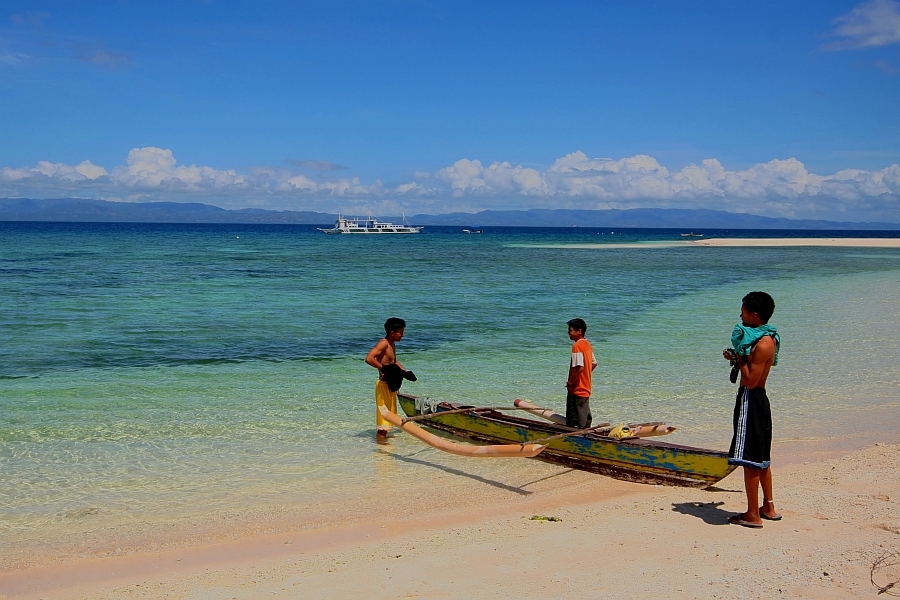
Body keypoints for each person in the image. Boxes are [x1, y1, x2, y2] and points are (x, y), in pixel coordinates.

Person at [723, 291, 781, 528]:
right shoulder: (769, 338)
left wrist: (739, 352)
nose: (740, 314)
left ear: (754, 315)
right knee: (762, 458)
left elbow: (750, 380)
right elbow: (751, 370)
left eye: (744, 311)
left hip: (751, 398)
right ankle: (767, 506)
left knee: (749, 460)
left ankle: (751, 515)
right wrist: (738, 358)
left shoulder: (762, 344)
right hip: (761, 401)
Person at [365, 317, 408, 440]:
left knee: (390, 419)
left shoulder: (392, 345)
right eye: (401, 332)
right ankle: (381, 448)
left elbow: (394, 362)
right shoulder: (383, 343)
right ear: (392, 332)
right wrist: (383, 368)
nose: (402, 335)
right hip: (383, 386)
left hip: (391, 386)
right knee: (383, 423)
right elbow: (369, 358)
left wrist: (405, 372)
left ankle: (384, 445)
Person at [565, 318, 598, 428]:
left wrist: (570, 383)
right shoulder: (587, 344)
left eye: (570, 330)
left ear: (579, 331)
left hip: (577, 390)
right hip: (586, 387)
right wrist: (586, 375)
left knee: (574, 424)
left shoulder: (577, 346)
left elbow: (579, 368)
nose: (568, 332)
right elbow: (594, 363)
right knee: (586, 419)